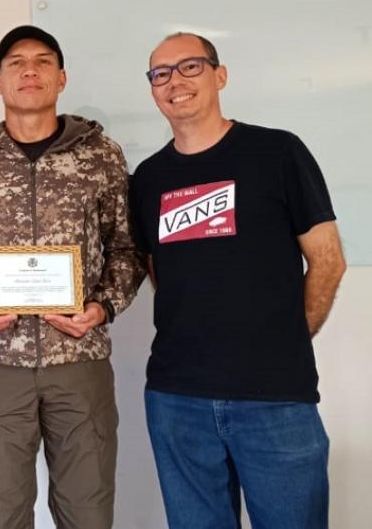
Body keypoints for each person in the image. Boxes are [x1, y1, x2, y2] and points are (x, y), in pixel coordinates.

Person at [130, 32, 347, 528]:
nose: (174, 82)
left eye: (189, 67)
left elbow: (327, 259)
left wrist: (290, 336)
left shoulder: (278, 153)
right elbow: (158, 271)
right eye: (160, 73)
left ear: (219, 75)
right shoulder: (147, 179)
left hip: (274, 400)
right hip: (176, 401)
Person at [0, 25, 144, 529]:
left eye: (44, 61)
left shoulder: (101, 156)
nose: (30, 70)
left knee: (88, 513)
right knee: (1, 515)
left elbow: (127, 247)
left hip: (80, 361)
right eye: (17, 63)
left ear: (62, 77)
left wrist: (102, 308)